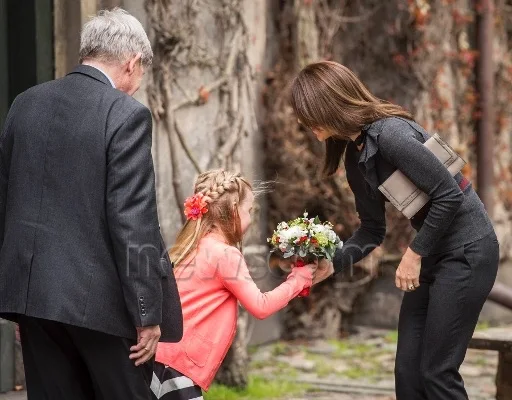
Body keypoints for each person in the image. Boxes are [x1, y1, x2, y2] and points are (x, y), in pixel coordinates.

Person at [0, 8, 182, 400]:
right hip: (101, 306)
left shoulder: (24, 104)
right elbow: (133, 221)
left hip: (35, 301)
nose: (136, 87)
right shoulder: (124, 114)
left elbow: (7, 202)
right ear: (132, 63)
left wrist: (21, 301)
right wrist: (147, 312)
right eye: (140, 76)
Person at [290, 61, 499, 400]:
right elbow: (372, 230)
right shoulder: (355, 158)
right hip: (433, 255)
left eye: (307, 112)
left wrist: (414, 254)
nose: (303, 122)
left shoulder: (390, 134)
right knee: (408, 372)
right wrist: (333, 262)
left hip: (467, 251)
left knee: (438, 373)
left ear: (329, 104)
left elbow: (449, 196)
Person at [153, 169, 316, 399]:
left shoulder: (190, 247)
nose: (251, 218)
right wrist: (299, 279)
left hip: (161, 359)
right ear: (233, 212)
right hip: (179, 366)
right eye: (249, 211)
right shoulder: (225, 254)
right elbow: (260, 305)